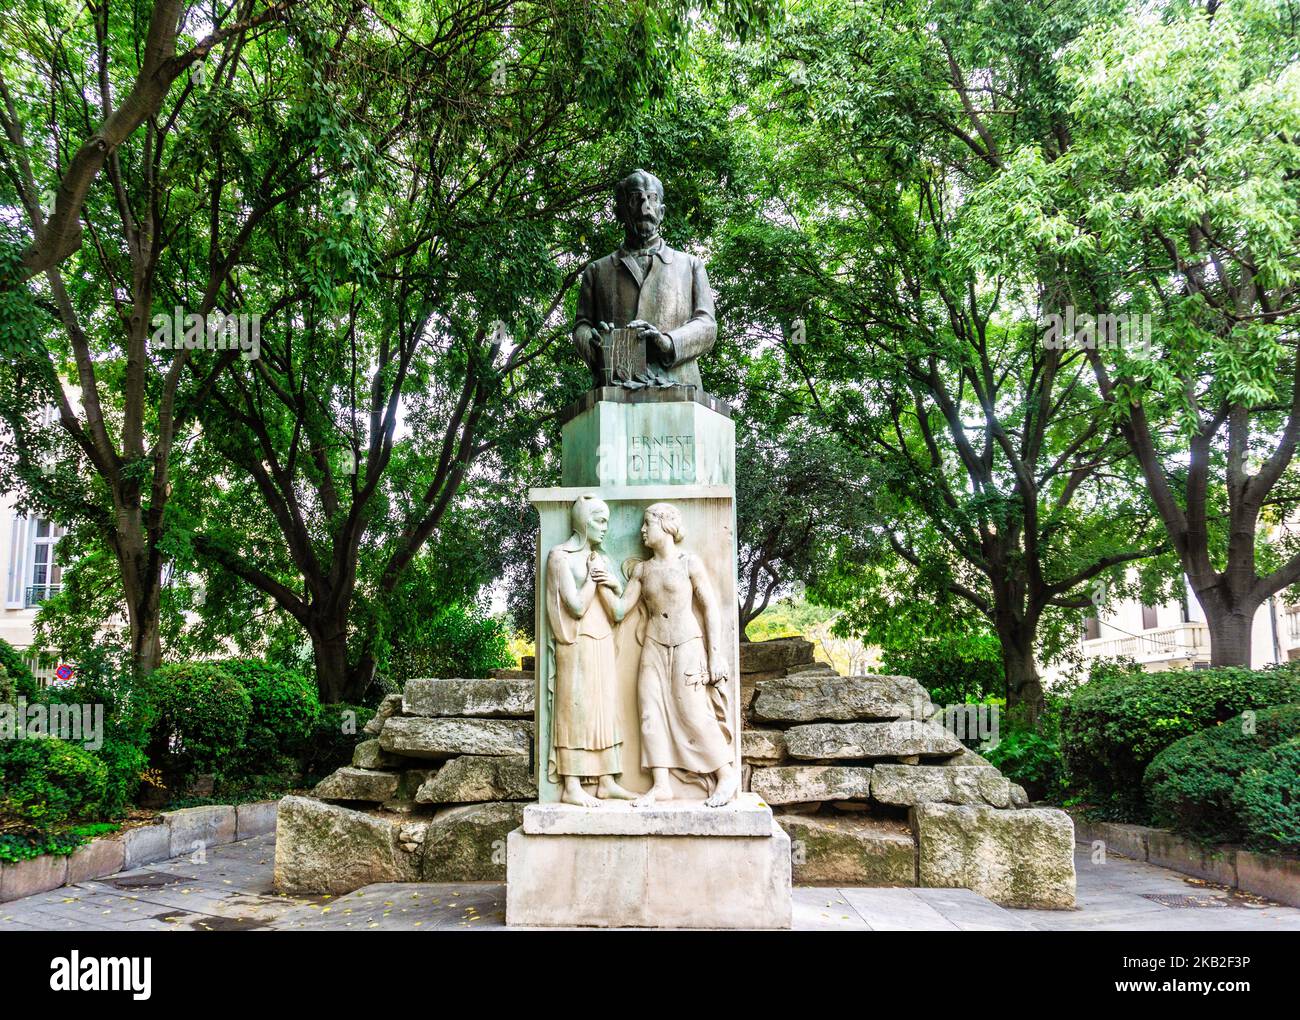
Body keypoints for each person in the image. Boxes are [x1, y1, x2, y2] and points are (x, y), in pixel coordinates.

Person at [596, 502, 738, 807]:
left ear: (667, 526)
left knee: (694, 712)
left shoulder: (689, 563)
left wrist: (715, 655)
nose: (644, 531)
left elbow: (710, 607)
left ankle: (725, 774)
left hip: (687, 644)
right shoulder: (642, 570)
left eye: (648, 524)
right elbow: (620, 610)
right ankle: (661, 784)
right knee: (650, 712)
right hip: (653, 647)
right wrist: (606, 584)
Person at [544, 495, 639, 807]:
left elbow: (618, 613)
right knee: (576, 711)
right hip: (576, 642)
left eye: (608, 522)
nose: (605, 528)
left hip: (601, 642)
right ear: (583, 521)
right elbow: (575, 606)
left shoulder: (602, 560)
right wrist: (593, 581)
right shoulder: (560, 557)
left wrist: (611, 582)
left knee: (604, 711)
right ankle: (571, 785)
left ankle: (606, 781)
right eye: (599, 520)